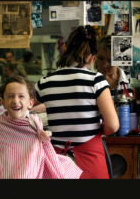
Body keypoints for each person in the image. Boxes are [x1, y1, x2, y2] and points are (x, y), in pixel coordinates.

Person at [31, 25, 119, 179]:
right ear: (92, 58)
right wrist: (97, 130)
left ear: (64, 49)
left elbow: (24, 108)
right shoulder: (96, 81)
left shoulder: (45, 82)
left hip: (56, 163)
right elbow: (112, 126)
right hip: (90, 160)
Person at [0, 75, 82, 179]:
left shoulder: (35, 124)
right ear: (3, 103)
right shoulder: (0, 123)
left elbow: (36, 153)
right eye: (10, 96)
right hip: (2, 172)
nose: (15, 101)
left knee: (67, 164)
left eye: (21, 96)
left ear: (30, 103)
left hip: (28, 169)